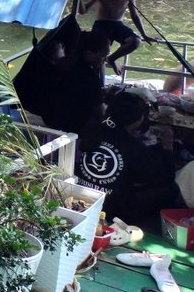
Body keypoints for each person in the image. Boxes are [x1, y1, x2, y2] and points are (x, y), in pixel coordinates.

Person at [76, 92, 180, 222]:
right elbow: (164, 176)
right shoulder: (132, 146)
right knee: (171, 189)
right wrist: (168, 145)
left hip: (79, 196)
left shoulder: (91, 129)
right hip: (113, 208)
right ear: (139, 119)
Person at [41, 30, 110, 141]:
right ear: (89, 53)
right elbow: (100, 111)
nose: (105, 60)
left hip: (53, 119)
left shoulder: (63, 63)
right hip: (74, 126)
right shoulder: (89, 75)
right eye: (103, 56)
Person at [79, 0, 152, 75]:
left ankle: (112, 59)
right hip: (102, 24)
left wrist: (144, 34)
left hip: (117, 24)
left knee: (135, 41)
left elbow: (135, 15)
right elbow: (83, 11)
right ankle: (100, 80)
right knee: (100, 53)